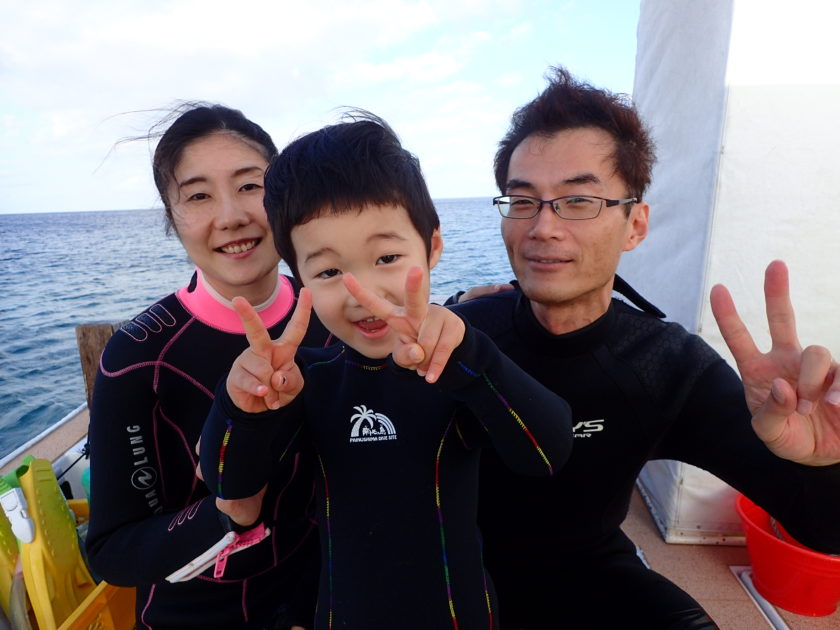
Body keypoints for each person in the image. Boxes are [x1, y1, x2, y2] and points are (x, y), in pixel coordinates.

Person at [449, 67, 840, 630]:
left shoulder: (666, 366)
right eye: (522, 200)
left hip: (589, 571)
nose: (543, 227)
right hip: (454, 575)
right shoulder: (459, 339)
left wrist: (823, 463)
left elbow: (822, 529)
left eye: (578, 200)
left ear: (635, 225)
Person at [198, 113, 574, 629]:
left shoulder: (457, 364)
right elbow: (231, 486)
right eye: (330, 271)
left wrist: (473, 358)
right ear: (298, 277)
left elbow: (547, 453)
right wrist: (242, 405)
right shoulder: (307, 381)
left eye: (387, 256)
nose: (363, 293)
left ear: (433, 246)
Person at [85, 104, 333, 630]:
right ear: (172, 218)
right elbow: (113, 551)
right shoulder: (138, 357)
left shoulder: (336, 315)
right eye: (198, 195)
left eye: (251, 186)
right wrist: (228, 514)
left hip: (329, 598)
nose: (231, 216)